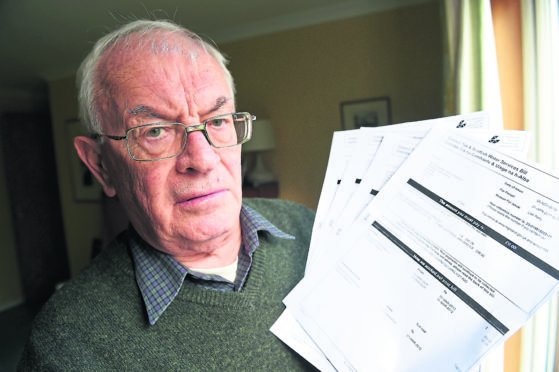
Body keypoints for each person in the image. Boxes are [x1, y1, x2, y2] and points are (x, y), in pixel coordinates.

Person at [18, 19, 316, 371]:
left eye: (217, 121)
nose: (203, 159)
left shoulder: (312, 227)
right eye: (156, 131)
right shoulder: (64, 346)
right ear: (100, 165)